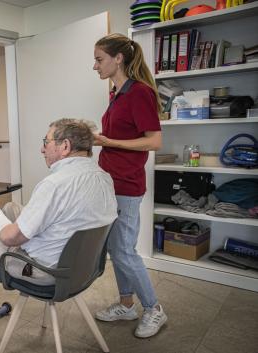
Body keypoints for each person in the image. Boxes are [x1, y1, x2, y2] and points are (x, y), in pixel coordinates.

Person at [0, 118, 117, 311]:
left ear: (65, 146)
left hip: (45, 272)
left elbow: (10, 237)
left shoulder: (55, 184)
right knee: (11, 207)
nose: (42, 150)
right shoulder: (104, 177)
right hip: (83, 269)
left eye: (46, 142)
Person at [92, 33, 166, 338]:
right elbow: (120, 136)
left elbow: (154, 141)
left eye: (99, 59)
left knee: (124, 250)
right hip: (110, 183)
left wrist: (109, 141)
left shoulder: (139, 93)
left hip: (127, 185)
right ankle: (126, 304)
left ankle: (154, 309)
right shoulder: (117, 93)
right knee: (115, 248)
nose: (94, 66)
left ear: (118, 58)